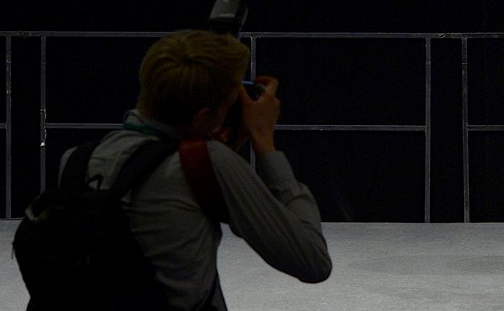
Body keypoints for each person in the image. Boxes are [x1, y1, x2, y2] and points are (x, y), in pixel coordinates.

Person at [70, 29, 331, 310]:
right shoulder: (205, 162)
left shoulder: (76, 161)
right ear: (204, 117)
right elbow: (312, 261)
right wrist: (264, 142)